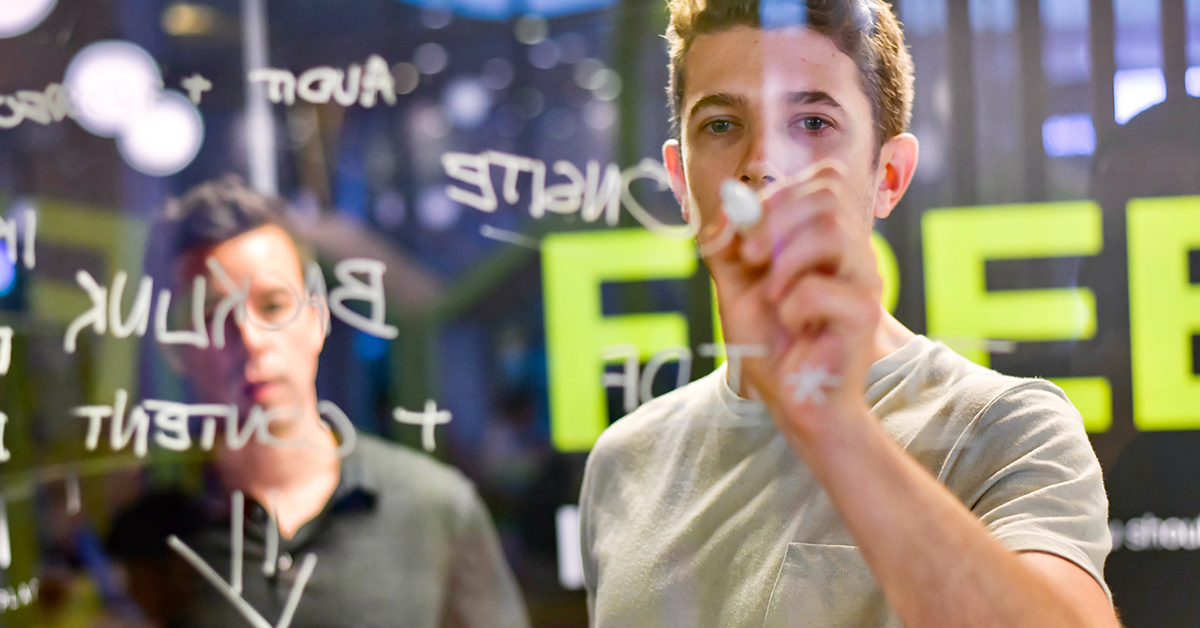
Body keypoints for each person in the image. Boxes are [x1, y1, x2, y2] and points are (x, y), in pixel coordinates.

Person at [578, 1, 1120, 627]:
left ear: (888, 175)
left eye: (812, 121)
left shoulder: (1004, 430)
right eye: (722, 125)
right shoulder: (625, 461)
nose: (762, 163)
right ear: (680, 180)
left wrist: (836, 429)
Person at [120, 176, 529, 628]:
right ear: (179, 347)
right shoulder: (152, 546)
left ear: (315, 319)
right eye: (217, 315)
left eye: (273, 306)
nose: (252, 339)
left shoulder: (435, 510)